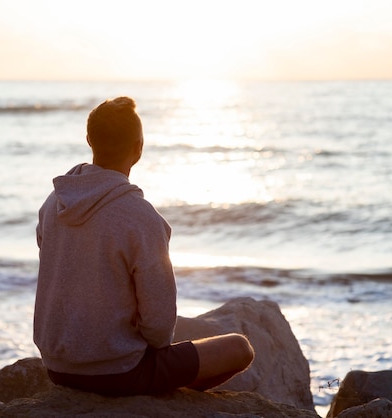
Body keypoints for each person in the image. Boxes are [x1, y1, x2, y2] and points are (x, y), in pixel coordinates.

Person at [33, 96, 254, 396]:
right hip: (119, 373)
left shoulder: (53, 204)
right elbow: (160, 328)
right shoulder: (142, 218)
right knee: (240, 348)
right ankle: (164, 397)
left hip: (57, 367)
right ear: (139, 148)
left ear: (89, 140)